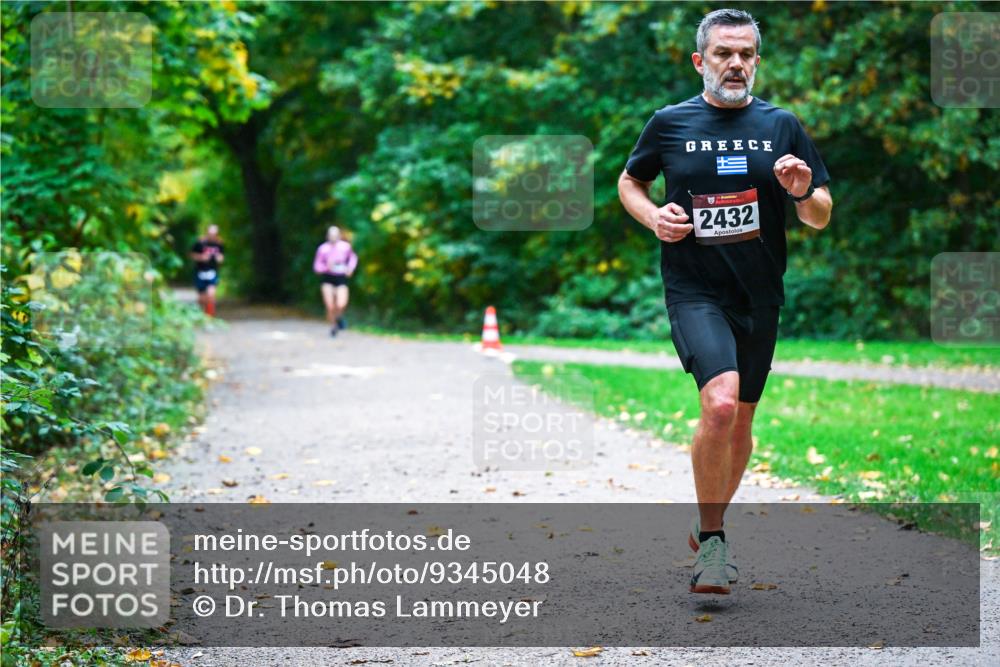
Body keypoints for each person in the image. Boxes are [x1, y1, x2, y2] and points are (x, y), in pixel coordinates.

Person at [617, 8, 833, 595]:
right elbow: (630, 181)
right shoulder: (669, 123)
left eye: (745, 55)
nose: (734, 64)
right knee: (719, 404)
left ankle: (707, 517)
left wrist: (802, 191)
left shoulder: (782, 125)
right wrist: (651, 216)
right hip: (694, 289)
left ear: (756, 61)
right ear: (700, 61)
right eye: (722, 54)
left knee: (740, 421)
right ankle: (713, 542)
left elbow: (820, 214)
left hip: (759, 293)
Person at [312, 226, 358, 337]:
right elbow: (317, 267)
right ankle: (334, 327)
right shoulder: (322, 249)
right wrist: (326, 267)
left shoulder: (345, 247)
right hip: (328, 278)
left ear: (339, 236)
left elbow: (353, 258)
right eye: (331, 235)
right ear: (327, 236)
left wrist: (350, 268)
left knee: (341, 303)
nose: (333, 237)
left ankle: (338, 317)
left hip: (341, 277)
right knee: (330, 306)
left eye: (335, 235)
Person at [190, 225, 225, 316]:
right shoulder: (200, 243)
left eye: (214, 234)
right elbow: (191, 254)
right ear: (207, 233)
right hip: (200, 271)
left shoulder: (219, 243)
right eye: (210, 233)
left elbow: (222, 256)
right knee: (202, 298)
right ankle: (201, 314)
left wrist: (220, 259)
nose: (212, 235)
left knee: (211, 294)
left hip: (212, 272)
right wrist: (201, 257)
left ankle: (210, 316)